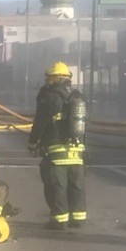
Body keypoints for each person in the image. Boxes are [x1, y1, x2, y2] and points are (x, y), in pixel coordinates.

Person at [28, 62, 87, 231]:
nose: (47, 81)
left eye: (49, 77)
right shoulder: (79, 96)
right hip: (77, 149)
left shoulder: (49, 97)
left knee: (57, 186)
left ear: (55, 78)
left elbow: (40, 123)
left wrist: (33, 142)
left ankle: (59, 221)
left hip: (56, 150)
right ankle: (78, 219)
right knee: (77, 185)